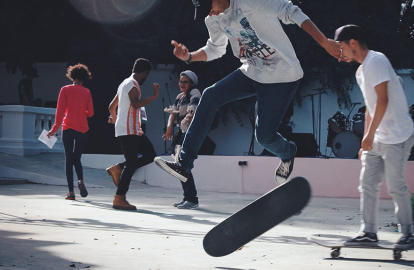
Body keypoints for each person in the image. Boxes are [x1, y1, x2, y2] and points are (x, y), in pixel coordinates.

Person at [154, 0, 341, 186]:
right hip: (251, 71)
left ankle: (287, 153)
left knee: (265, 137)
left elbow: (290, 11)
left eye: (210, 8)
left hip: (282, 75)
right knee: (210, 95)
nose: (210, 14)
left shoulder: (249, 2)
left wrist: (325, 42)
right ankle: (184, 164)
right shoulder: (212, 20)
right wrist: (189, 57)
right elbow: (215, 49)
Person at [335, 24, 414, 249]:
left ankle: (408, 234)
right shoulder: (360, 71)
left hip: (398, 136)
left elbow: (383, 100)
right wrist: (366, 140)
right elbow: (370, 106)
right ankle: (368, 232)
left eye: (342, 46)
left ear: (353, 43)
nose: (340, 52)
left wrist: (370, 135)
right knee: (368, 185)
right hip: (378, 137)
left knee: (395, 186)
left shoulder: (377, 61)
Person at [107, 58, 160, 210]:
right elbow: (136, 104)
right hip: (129, 130)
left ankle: (118, 168)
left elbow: (112, 107)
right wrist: (153, 97)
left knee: (149, 155)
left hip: (130, 130)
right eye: (147, 75)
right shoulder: (133, 84)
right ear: (144, 72)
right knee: (131, 163)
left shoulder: (124, 83)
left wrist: (117, 121)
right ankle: (119, 198)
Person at [47, 64, 94, 200]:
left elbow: (60, 113)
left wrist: (53, 130)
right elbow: (90, 113)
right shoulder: (86, 92)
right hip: (82, 129)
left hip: (68, 128)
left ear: (71, 76)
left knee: (69, 159)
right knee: (77, 158)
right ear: (84, 78)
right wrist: (81, 111)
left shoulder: (65, 90)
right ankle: (80, 180)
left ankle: (71, 192)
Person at [162, 70, 201, 209]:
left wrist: (185, 124)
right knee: (180, 166)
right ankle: (187, 197)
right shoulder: (180, 97)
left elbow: (193, 110)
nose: (182, 84)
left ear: (192, 83)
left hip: (189, 133)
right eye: (181, 81)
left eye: (185, 82)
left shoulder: (194, 93)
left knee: (183, 165)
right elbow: (173, 113)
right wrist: (169, 128)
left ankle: (192, 199)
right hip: (182, 132)